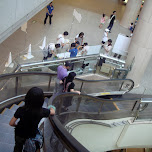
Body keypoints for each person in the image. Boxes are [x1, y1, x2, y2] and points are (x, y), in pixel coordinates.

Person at [9, 87, 55, 152]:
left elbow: (11, 123)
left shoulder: (21, 110)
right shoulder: (42, 112)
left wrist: (16, 125)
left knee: (18, 146)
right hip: (31, 135)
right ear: (41, 100)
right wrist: (51, 107)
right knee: (29, 148)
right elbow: (53, 112)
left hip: (19, 133)